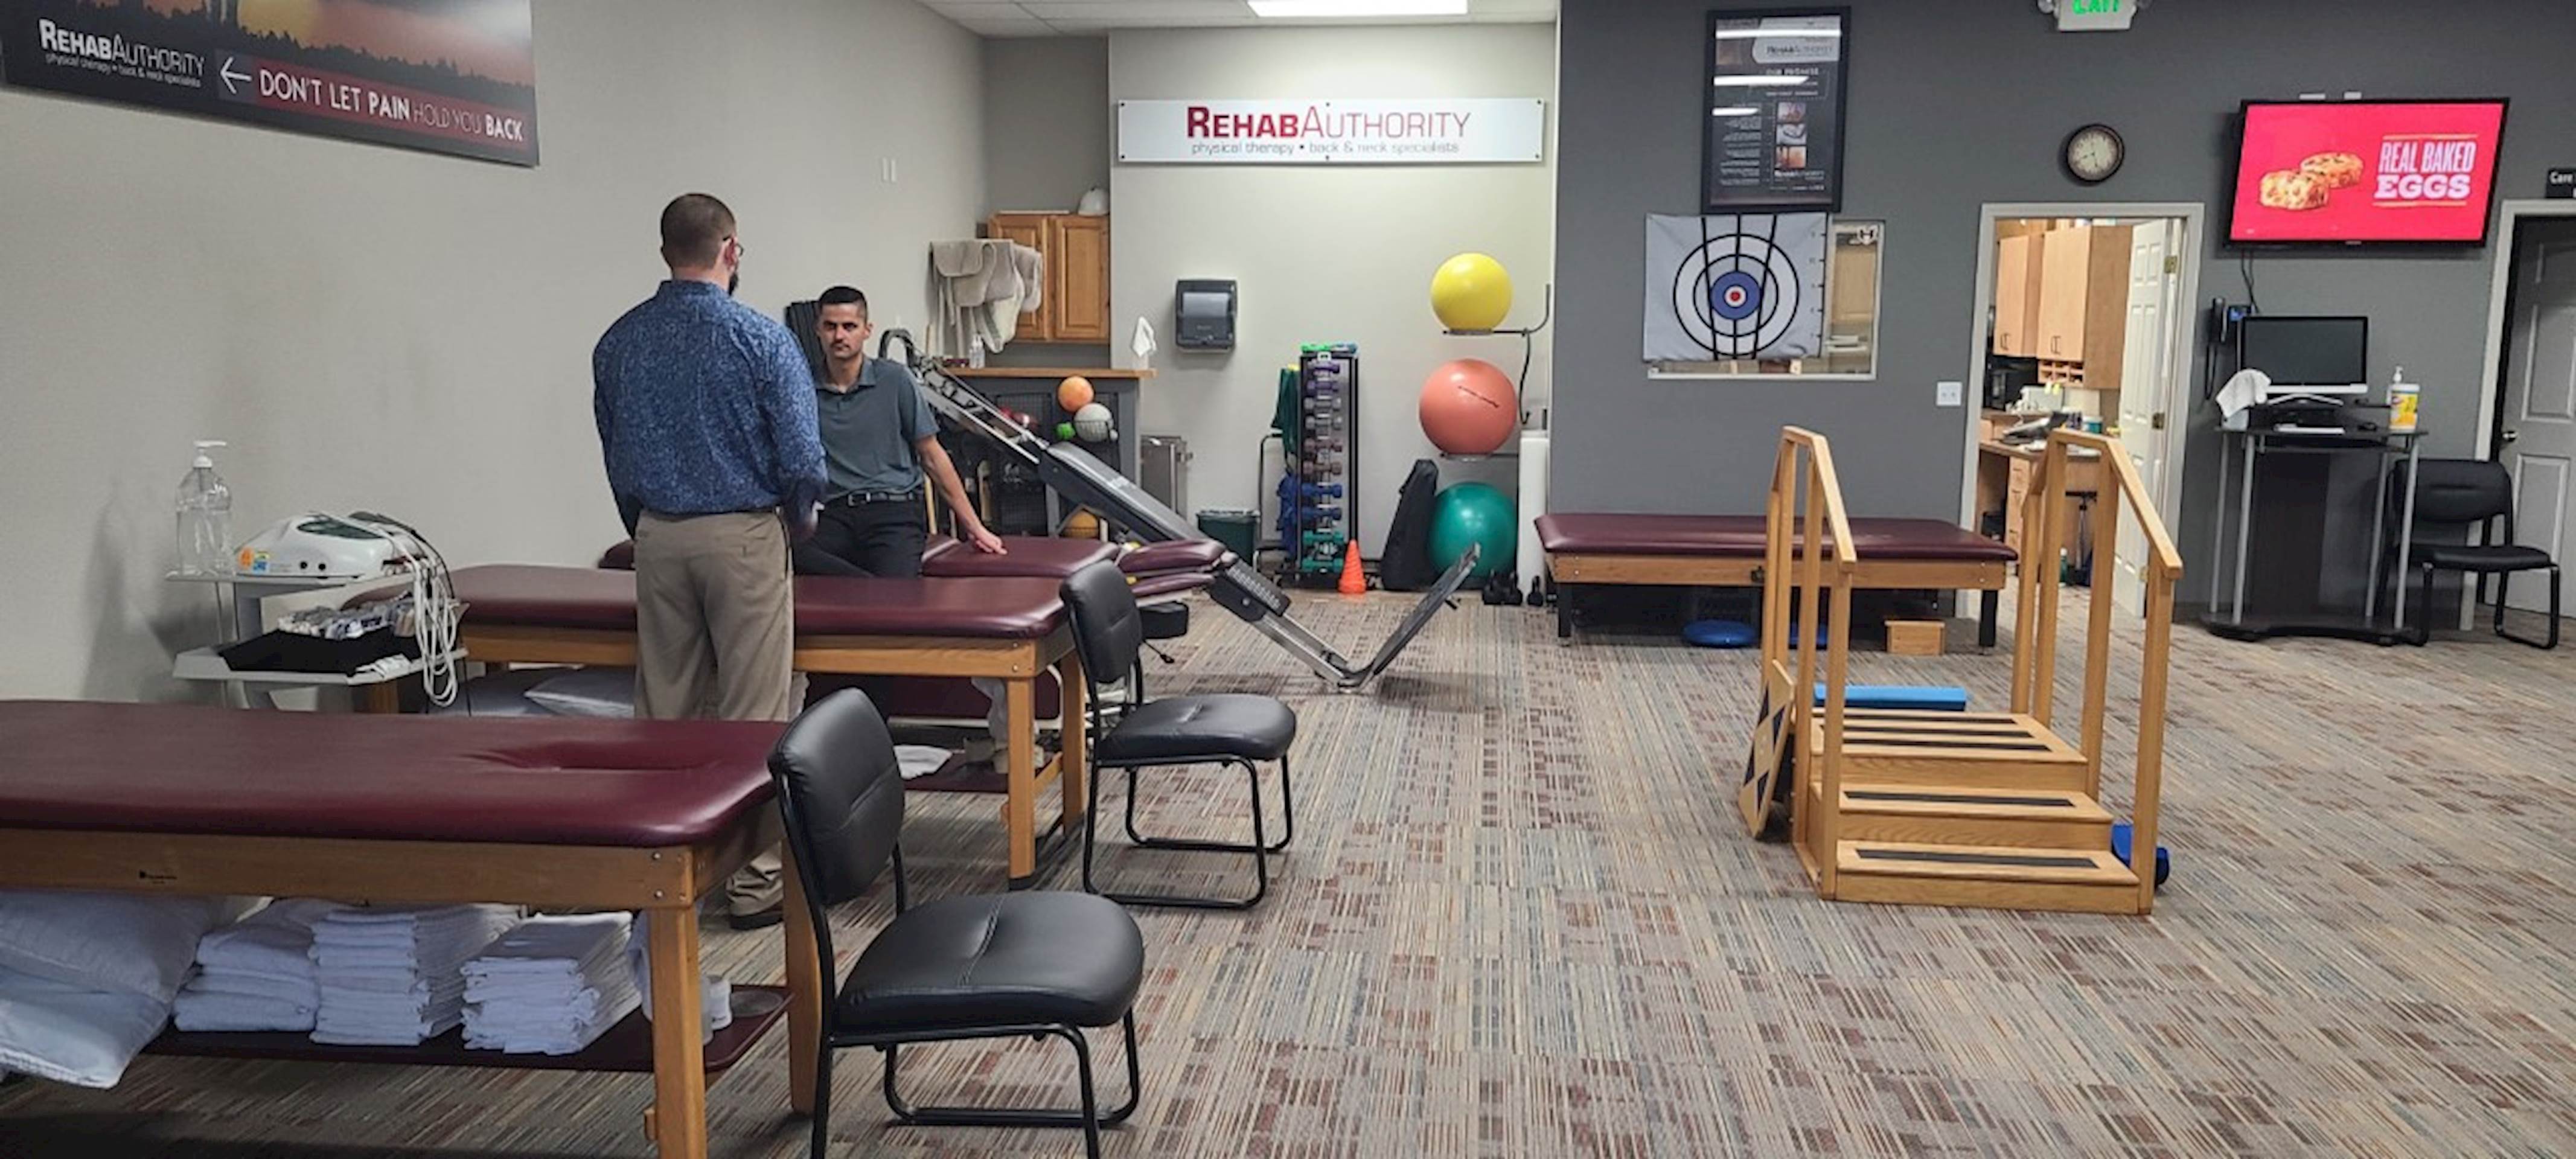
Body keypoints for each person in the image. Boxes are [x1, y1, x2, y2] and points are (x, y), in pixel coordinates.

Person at [593, 192, 823, 930]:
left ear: (666, 252)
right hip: (744, 534)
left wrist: (644, 528)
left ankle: (662, 872)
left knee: (664, 713)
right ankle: (754, 883)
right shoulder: (761, 340)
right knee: (753, 713)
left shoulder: (619, 342)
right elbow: (802, 457)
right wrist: (799, 521)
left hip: (658, 536)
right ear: (730, 250)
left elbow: (616, 456)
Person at [794, 284, 1005, 576]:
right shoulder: (802, 385)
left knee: (896, 589)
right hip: (834, 514)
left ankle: (875, 592)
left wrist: (976, 527)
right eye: (830, 327)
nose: (839, 336)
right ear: (818, 330)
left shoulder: (895, 380)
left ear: (867, 330)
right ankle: (871, 590)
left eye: (849, 326)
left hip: (892, 512)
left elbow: (932, 456)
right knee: (791, 557)